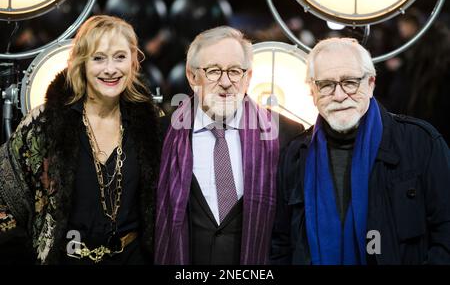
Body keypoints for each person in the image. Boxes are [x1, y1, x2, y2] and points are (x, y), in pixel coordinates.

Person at [271, 37, 450, 265]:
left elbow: (445, 233)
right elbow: (281, 243)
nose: (339, 95)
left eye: (350, 82)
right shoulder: (295, 155)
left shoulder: (420, 143)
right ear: (312, 92)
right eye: (326, 84)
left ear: (371, 83)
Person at [0, 15, 161, 264]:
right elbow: (4, 196)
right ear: (81, 63)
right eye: (98, 58)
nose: (110, 69)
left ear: (133, 61)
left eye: (120, 57)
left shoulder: (152, 124)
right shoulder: (45, 123)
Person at [155, 26, 303, 264]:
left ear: (248, 78)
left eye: (235, 71)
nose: (225, 82)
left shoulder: (287, 135)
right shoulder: (161, 135)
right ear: (192, 77)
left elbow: (291, 233)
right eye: (213, 71)